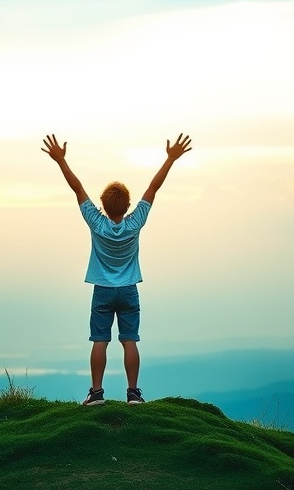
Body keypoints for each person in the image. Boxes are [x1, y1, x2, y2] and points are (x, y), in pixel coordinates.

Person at [41, 132, 192, 405]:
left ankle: (96, 393)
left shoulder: (96, 223)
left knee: (100, 341)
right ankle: (133, 393)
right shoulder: (135, 223)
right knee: (129, 341)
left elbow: (77, 189)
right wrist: (170, 159)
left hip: (102, 290)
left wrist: (61, 161)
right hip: (128, 290)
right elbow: (153, 189)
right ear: (129, 206)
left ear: (102, 204)